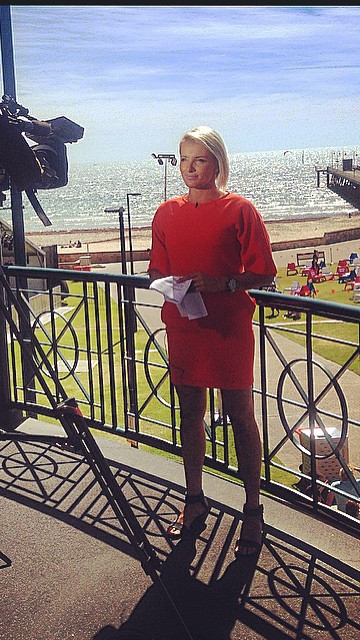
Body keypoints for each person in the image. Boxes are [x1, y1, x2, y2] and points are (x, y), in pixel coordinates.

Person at [148, 126, 277, 558]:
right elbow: (156, 269)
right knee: (190, 413)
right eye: (183, 159)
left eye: (199, 159)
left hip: (228, 329)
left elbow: (264, 272)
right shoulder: (166, 213)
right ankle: (194, 499)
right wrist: (169, 284)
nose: (189, 168)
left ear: (217, 163)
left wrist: (223, 282)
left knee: (240, 416)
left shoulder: (240, 210)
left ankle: (253, 510)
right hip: (185, 327)